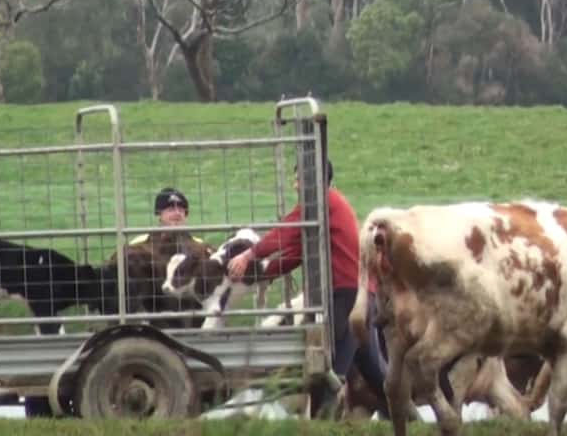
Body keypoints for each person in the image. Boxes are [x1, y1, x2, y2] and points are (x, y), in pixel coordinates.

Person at [227, 160, 388, 414]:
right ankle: (413, 419)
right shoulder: (328, 205)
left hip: (348, 291)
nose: (295, 184)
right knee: (369, 372)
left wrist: (249, 256)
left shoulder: (321, 202)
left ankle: (321, 418)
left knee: (327, 363)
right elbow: (296, 252)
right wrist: (263, 273)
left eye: (299, 178)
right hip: (359, 292)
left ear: (313, 180)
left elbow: (286, 232)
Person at [130, 186, 206, 252]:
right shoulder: (139, 244)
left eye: (181, 210)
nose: (177, 213)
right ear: (159, 213)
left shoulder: (199, 245)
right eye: (171, 209)